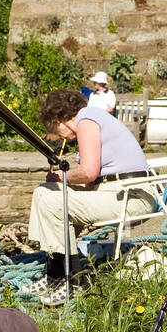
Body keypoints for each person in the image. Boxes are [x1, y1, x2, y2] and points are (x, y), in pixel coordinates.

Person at [25, 89, 158, 307]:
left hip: (131, 196)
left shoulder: (86, 120)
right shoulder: (93, 120)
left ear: (59, 120)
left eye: (55, 131)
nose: (59, 137)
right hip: (115, 192)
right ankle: (55, 272)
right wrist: (58, 183)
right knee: (44, 192)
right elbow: (89, 183)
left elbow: (88, 172)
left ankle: (73, 280)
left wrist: (61, 176)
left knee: (51, 198)